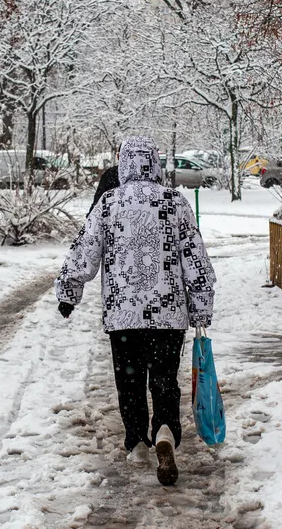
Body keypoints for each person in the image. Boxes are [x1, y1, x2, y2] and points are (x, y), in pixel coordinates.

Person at [56, 136, 216, 486]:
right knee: (163, 378)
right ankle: (164, 432)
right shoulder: (175, 203)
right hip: (168, 315)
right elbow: (196, 261)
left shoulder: (109, 203)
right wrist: (201, 305)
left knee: (129, 381)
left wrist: (69, 291)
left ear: (123, 164)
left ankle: (136, 444)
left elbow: (85, 251)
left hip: (123, 316)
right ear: (155, 165)